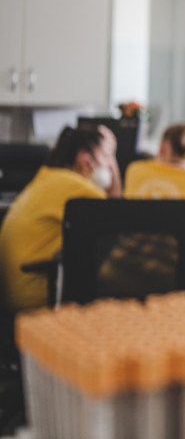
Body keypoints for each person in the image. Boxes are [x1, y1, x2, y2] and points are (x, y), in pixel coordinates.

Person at [0, 125, 121, 311]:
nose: (108, 166)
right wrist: (114, 162)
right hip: (37, 303)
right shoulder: (73, 186)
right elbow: (121, 217)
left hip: (18, 299)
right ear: (85, 160)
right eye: (105, 157)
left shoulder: (48, 177)